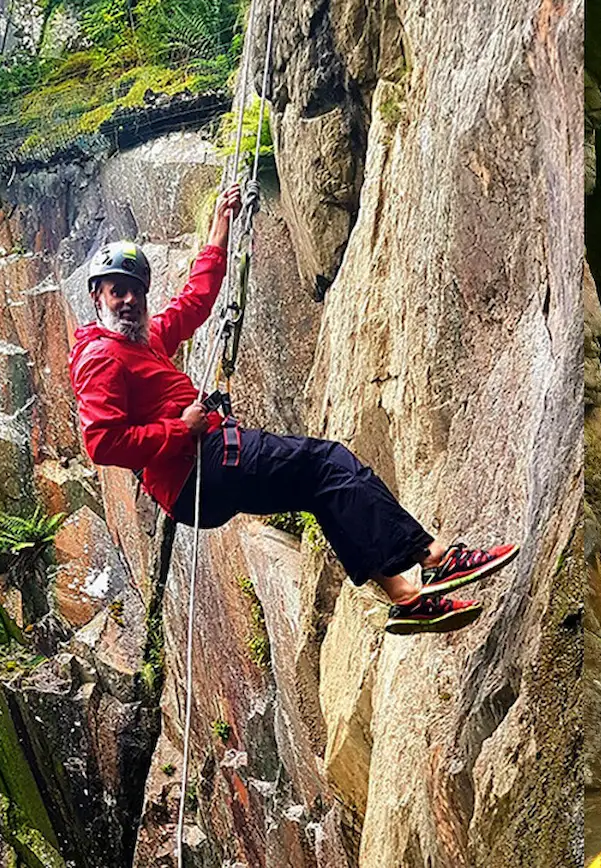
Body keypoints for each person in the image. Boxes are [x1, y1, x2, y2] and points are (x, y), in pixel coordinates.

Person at [68, 182, 519, 635]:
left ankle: (404, 596)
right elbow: (103, 443)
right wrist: (181, 429)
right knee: (329, 462)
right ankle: (436, 557)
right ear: (97, 296)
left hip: (202, 475)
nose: (129, 301)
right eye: (116, 291)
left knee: (320, 488)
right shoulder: (101, 357)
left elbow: (194, 302)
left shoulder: (145, 341)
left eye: (135, 291)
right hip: (201, 465)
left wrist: (219, 233)